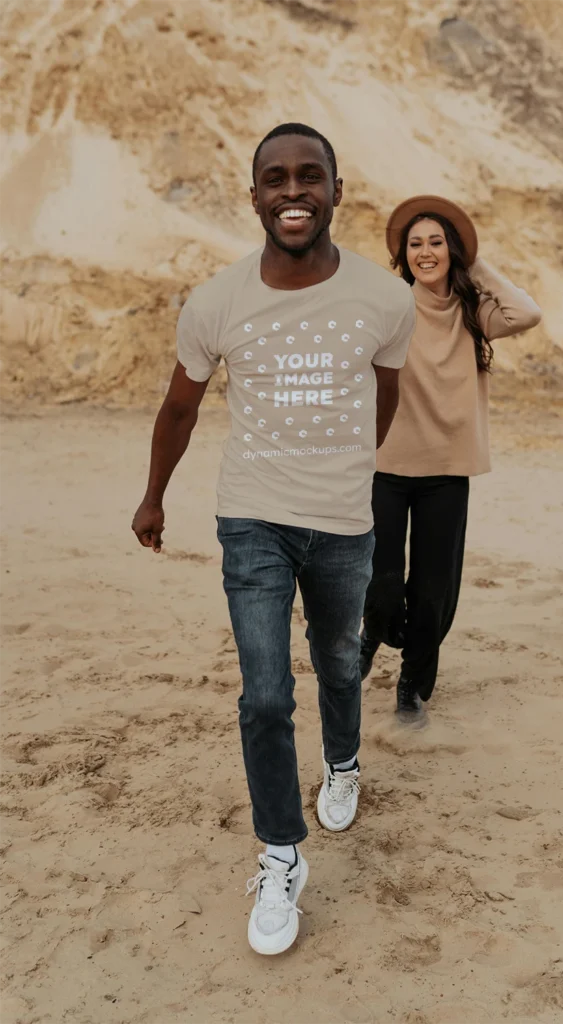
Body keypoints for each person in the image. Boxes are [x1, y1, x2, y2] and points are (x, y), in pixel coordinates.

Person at [131, 124, 415, 955]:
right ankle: (280, 853)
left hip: (342, 523)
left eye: (309, 177)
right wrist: (153, 496)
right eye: (275, 179)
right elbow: (180, 407)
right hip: (250, 516)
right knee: (262, 693)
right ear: (253, 195)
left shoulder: (383, 299)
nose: (293, 192)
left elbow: (383, 397)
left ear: (336, 189)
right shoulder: (215, 300)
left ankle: (342, 762)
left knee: (336, 662)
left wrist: (355, 469)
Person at [360, 195, 542, 721]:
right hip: (387, 467)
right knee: (382, 579)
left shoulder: (474, 311)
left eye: (436, 242)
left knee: (433, 589)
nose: (425, 252)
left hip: (447, 470)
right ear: (403, 254)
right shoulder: (390, 304)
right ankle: (372, 629)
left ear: (452, 249)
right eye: (414, 244)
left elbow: (526, 313)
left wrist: (474, 261)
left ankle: (411, 688)